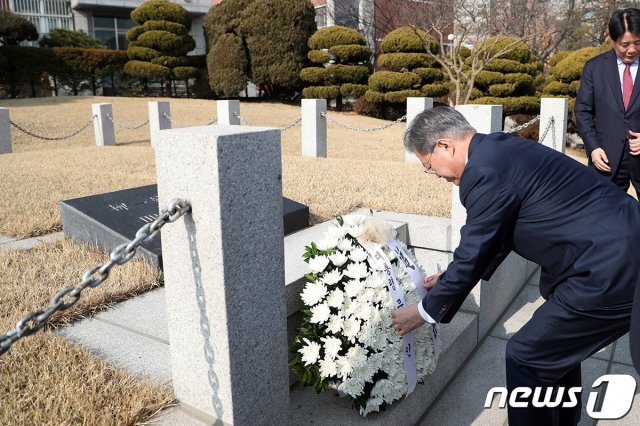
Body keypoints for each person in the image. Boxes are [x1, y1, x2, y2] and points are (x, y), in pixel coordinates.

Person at [392, 106, 640, 425]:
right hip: (613, 252)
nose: (437, 175)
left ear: (443, 146)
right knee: (552, 352)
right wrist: (449, 277)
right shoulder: (498, 148)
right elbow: (498, 234)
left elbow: (477, 244)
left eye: (429, 166)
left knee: (526, 355)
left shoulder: (482, 171)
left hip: (610, 269)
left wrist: (425, 311)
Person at [575, 8, 640, 193]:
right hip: (605, 158)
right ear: (612, 40)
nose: (632, 49)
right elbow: (582, 111)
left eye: (638, 43)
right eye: (625, 44)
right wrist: (593, 148)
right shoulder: (595, 68)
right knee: (605, 215)